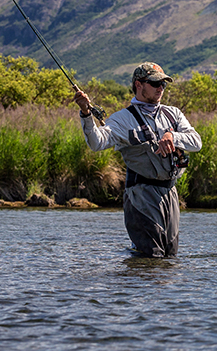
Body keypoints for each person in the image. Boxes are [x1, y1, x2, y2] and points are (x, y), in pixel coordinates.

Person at [73, 62, 202, 257]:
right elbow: (97, 143)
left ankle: (159, 288)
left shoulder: (173, 114)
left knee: (170, 256)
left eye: (164, 84)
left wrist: (172, 137)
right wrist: (86, 113)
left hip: (170, 192)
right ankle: (137, 286)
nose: (161, 88)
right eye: (155, 83)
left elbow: (196, 142)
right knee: (150, 255)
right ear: (139, 85)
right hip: (141, 192)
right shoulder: (123, 118)